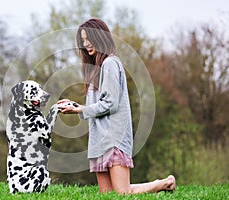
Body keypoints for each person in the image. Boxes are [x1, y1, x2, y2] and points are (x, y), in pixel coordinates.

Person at [57, 18, 176, 194]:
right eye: (83, 40)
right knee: (107, 195)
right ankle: (164, 184)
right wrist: (75, 106)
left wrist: (79, 109)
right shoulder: (96, 69)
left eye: (89, 39)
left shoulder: (110, 63)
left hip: (114, 138)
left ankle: (164, 183)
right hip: (99, 140)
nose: (86, 44)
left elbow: (110, 104)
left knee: (122, 193)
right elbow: (97, 105)